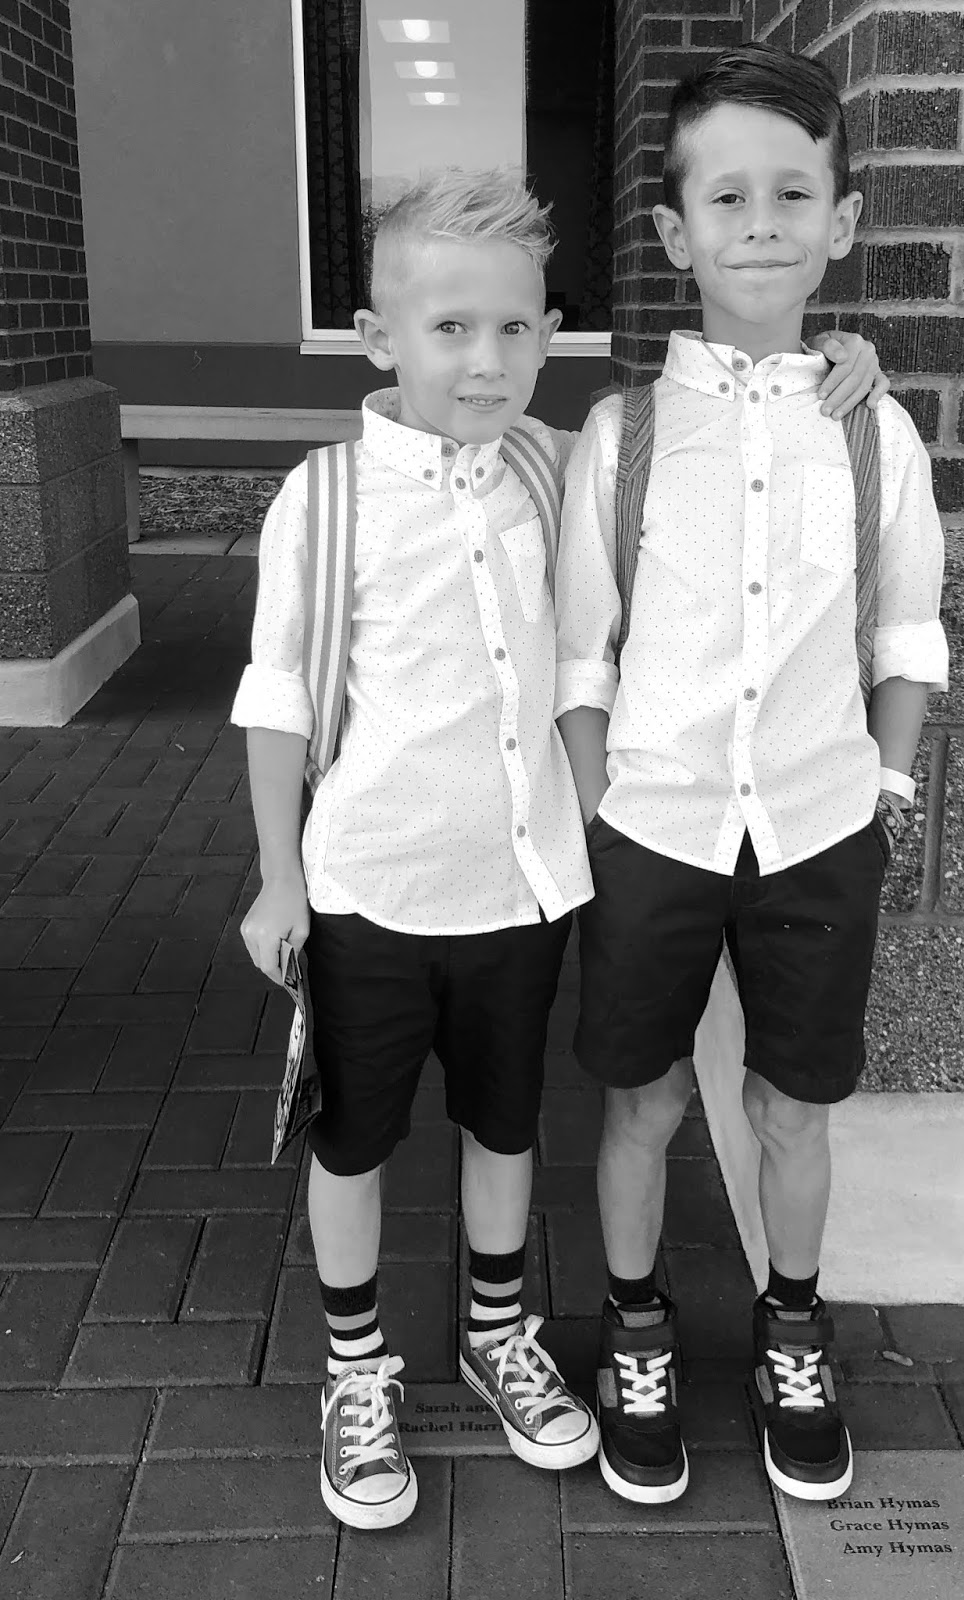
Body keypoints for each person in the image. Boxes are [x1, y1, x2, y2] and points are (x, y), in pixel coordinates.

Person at [232, 164, 885, 1531]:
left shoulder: (554, 463)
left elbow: (721, 427)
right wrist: (280, 879)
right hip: (366, 889)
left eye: (517, 328)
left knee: (506, 1121)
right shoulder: (324, 499)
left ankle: (498, 1332)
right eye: (450, 328)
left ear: (550, 334)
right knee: (352, 1139)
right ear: (378, 336)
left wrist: (840, 358)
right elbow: (278, 698)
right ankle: (356, 1366)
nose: (487, 360)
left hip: (521, 891)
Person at [554, 44, 948, 1507]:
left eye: (795, 193)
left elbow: (906, 632)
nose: (763, 222)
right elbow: (582, 653)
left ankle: (793, 1325)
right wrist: (598, 813)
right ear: (676, 232)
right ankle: (636, 1327)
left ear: (843, 220)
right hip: (651, 826)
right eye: (728, 197)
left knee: (796, 1103)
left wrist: (885, 787)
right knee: (643, 1099)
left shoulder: (873, 429)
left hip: (818, 821)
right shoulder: (624, 437)